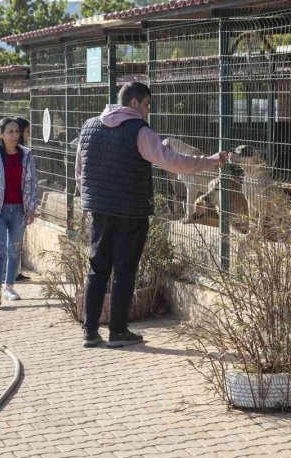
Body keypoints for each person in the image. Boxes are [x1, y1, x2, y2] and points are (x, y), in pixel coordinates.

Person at [75, 81, 228, 348]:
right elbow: (172, 160)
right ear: (134, 102)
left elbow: (80, 170)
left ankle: (89, 331)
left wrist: (91, 199)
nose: (148, 110)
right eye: (147, 104)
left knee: (97, 269)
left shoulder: (89, 127)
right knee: (124, 270)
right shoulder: (140, 131)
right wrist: (210, 161)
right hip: (130, 211)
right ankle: (118, 332)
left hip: (98, 210)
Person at [0, 118, 38, 306]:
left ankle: (10, 287)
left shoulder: (26, 155)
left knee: (15, 248)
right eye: (10, 132)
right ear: (1, 134)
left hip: (19, 210)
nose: (14, 136)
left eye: (17, 132)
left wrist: (31, 209)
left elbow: (32, 183)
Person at [12, 117, 32, 282]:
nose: (27, 134)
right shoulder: (17, 152)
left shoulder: (23, 152)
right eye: (26, 131)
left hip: (19, 202)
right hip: (11, 203)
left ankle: (14, 272)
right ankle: (11, 273)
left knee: (15, 240)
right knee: (13, 241)